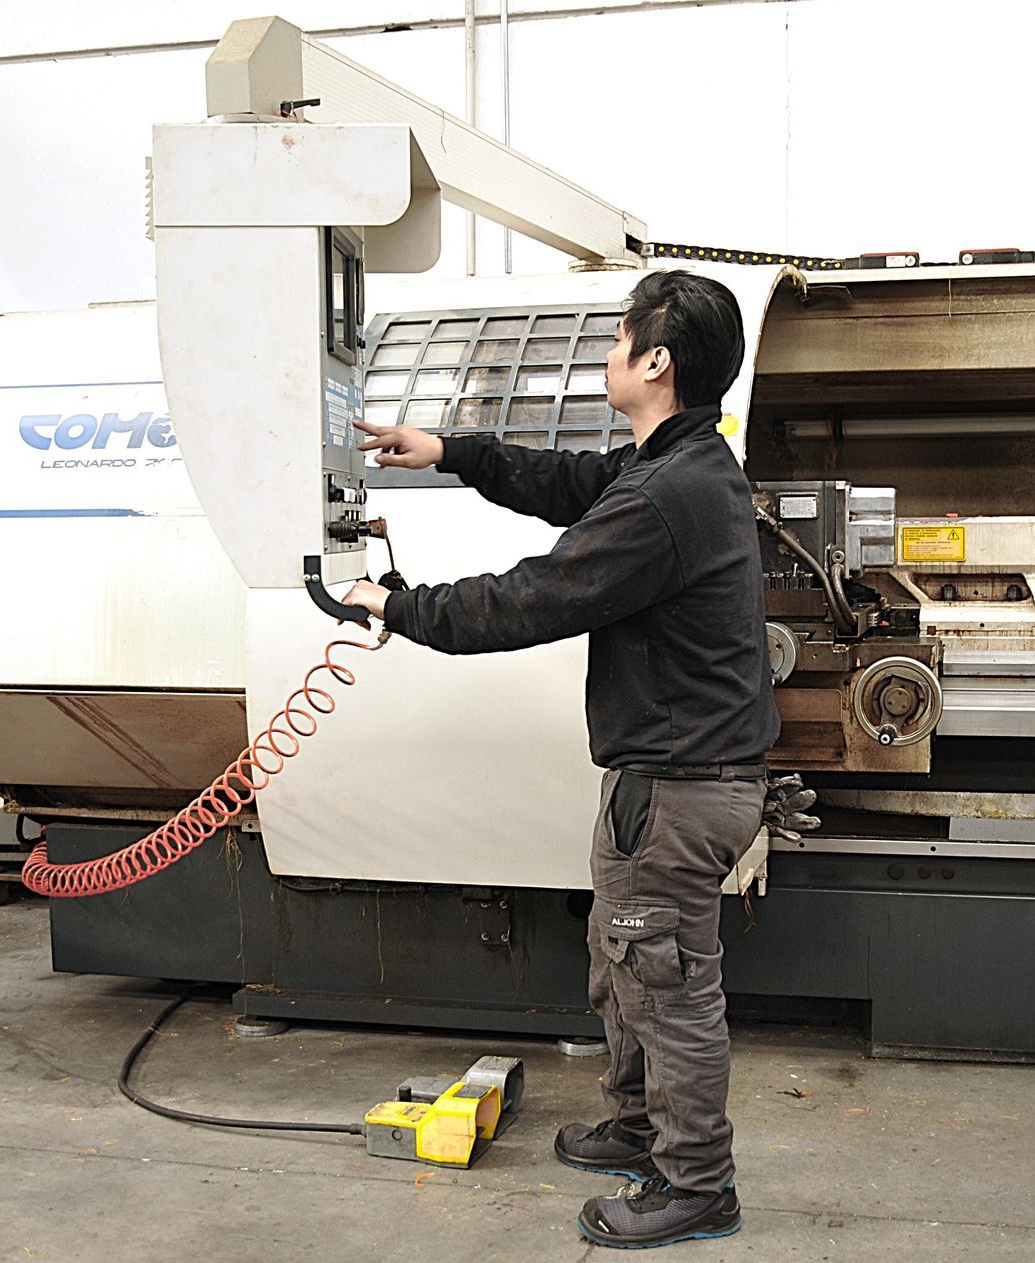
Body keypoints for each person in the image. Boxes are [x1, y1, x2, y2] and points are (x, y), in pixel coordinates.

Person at [342, 270, 778, 1249]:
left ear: (657, 359)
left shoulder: (667, 494)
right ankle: (637, 1124)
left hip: (679, 787)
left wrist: (398, 606)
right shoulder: (673, 463)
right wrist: (450, 451)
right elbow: (562, 482)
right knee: (622, 961)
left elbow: (536, 596)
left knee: (663, 984)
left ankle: (697, 1184)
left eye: (622, 335)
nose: (610, 348)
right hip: (668, 780)